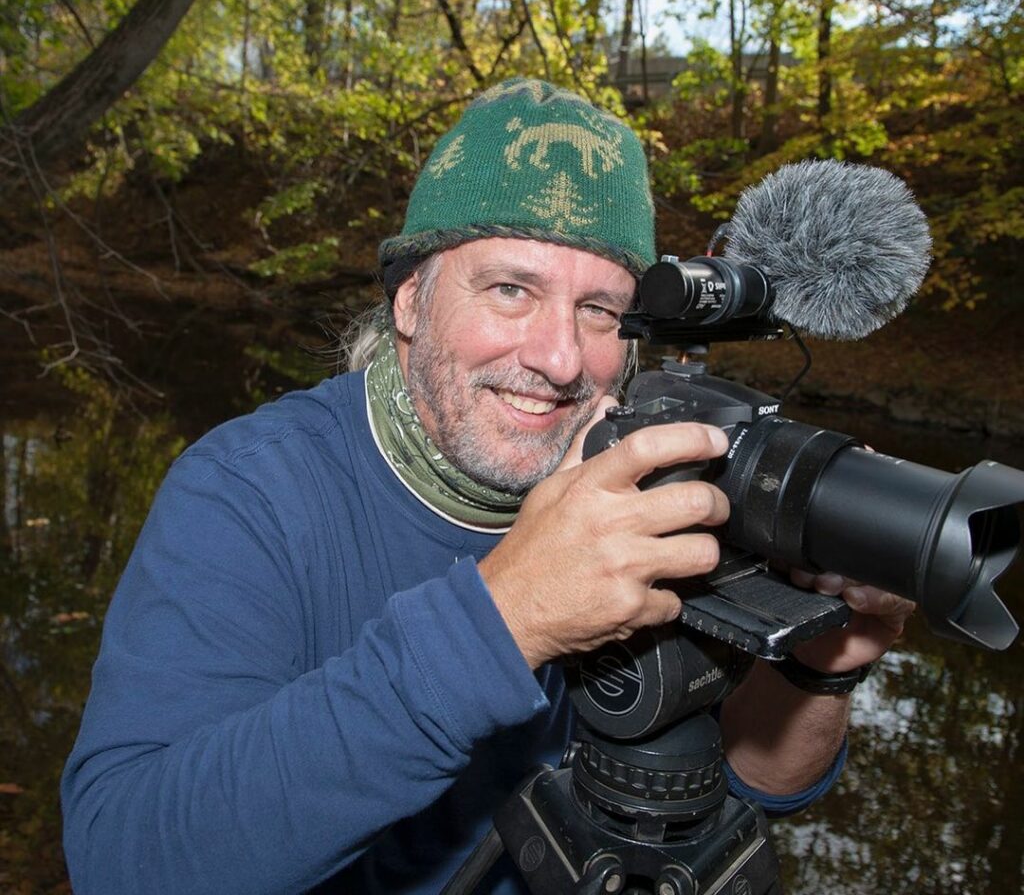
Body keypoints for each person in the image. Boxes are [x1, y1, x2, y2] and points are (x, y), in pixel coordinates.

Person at [62, 79, 913, 895]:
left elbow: (744, 783)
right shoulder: (248, 495)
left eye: (602, 312)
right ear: (409, 302)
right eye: (511, 289)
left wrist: (818, 671)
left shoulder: (657, 489)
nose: (560, 358)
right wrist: (506, 621)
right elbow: (127, 862)